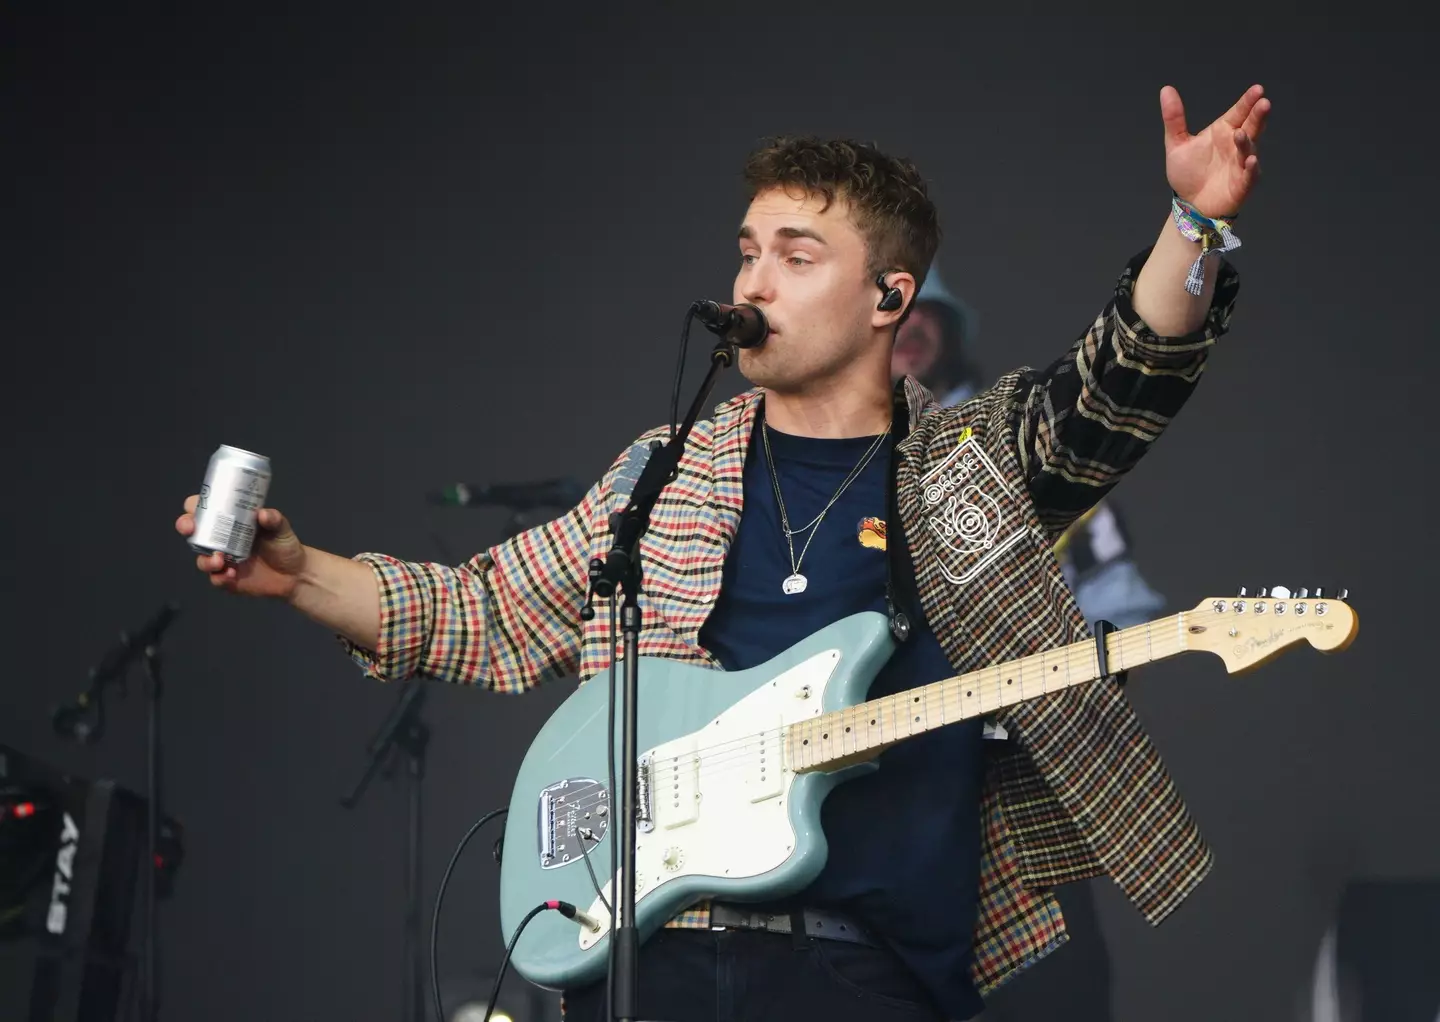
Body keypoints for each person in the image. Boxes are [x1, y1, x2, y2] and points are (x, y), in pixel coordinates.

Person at [175, 84, 1270, 1022]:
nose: (752, 284)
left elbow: (1119, 379)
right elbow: (485, 610)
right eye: (748, 253)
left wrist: (1193, 221)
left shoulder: (968, 461)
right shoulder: (668, 470)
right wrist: (301, 571)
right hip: (653, 958)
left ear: (892, 295)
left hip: (866, 969)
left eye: (797, 257)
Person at [891, 264, 1167, 633]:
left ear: (950, 330)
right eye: (897, 309)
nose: (913, 322)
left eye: (928, 309)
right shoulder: (830, 457)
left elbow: (1119, 607)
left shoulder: (1027, 433)